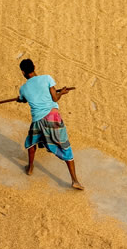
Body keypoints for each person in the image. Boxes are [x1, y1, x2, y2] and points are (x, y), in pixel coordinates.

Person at [16, 59, 83, 190]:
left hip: (37, 121)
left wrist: (20, 99)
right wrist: (61, 93)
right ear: (34, 67)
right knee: (65, 147)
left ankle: (30, 168)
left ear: (23, 72)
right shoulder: (47, 78)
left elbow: (24, 100)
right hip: (53, 118)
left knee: (31, 142)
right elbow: (55, 99)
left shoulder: (23, 89)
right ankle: (75, 180)